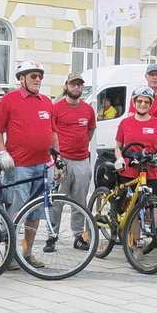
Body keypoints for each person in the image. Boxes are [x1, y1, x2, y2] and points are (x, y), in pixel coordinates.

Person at [0, 60, 59, 269]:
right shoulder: (9, 100)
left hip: (43, 166)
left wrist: (58, 158)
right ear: (22, 79)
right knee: (17, 211)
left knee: (36, 212)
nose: (38, 80)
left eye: (40, 76)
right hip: (19, 166)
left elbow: (53, 132)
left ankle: (27, 253)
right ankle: (10, 255)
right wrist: (3, 152)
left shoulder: (46, 101)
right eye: (33, 76)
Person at [114, 87, 157, 257]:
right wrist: (119, 159)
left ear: (151, 104)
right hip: (129, 172)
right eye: (139, 101)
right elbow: (118, 146)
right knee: (132, 210)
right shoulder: (125, 123)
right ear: (134, 102)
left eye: (146, 101)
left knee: (154, 211)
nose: (143, 104)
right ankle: (137, 247)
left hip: (151, 172)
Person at [49, 72, 96, 252]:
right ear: (66, 86)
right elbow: (51, 132)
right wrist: (58, 154)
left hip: (82, 160)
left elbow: (90, 130)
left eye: (79, 85)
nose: (76, 87)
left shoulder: (88, 109)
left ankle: (78, 236)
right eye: (73, 84)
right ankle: (52, 236)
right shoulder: (57, 108)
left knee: (80, 201)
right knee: (56, 201)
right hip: (62, 160)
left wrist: (81, 145)